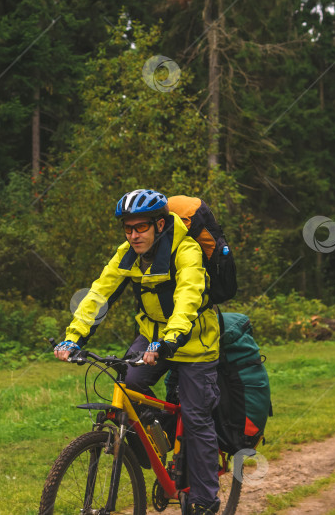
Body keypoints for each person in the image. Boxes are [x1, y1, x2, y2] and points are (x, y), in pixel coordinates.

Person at [54, 188, 222, 515]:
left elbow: (188, 297)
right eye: (128, 229)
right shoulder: (127, 253)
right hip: (151, 334)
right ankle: (158, 443)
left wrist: (170, 339)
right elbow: (98, 294)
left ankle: (205, 500)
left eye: (140, 227)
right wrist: (73, 337)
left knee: (196, 415)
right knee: (128, 386)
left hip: (194, 341)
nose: (133, 236)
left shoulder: (186, 249)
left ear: (160, 225)